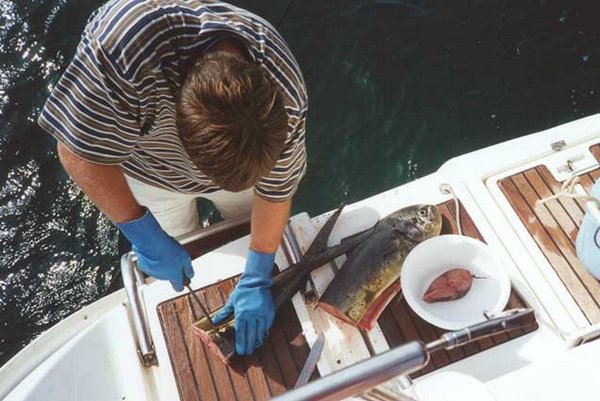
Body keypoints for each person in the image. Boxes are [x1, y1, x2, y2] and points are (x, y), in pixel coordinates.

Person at [38, 0, 307, 356]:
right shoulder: (122, 49)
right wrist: (141, 230)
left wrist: (258, 272)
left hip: (244, 174)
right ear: (179, 123)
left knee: (250, 242)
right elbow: (75, 150)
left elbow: (276, 189)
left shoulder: (284, 90)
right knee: (178, 248)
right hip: (151, 175)